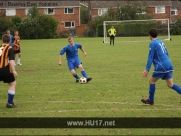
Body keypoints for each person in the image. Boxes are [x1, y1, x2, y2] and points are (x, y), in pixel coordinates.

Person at [141, 28, 181, 105]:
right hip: (168, 64)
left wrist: (147, 69)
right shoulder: (161, 41)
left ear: (149, 35)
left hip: (161, 66)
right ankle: (151, 100)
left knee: (151, 81)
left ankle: (151, 100)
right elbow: (166, 53)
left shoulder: (152, 43)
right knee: (170, 84)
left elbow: (150, 57)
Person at [0, 34, 18, 108]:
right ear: (9, 41)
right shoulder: (10, 48)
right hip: (5, 69)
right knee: (12, 84)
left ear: (2, 40)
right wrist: (13, 70)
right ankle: (10, 103)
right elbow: (11, 61)